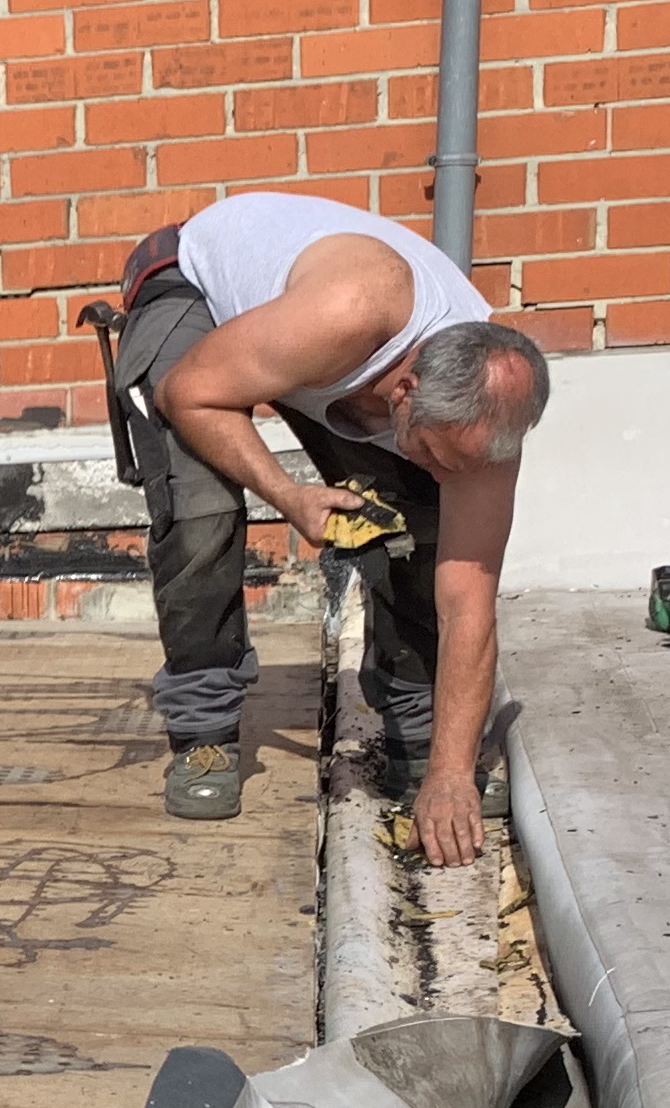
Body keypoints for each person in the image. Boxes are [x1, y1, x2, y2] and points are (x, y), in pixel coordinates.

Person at [103, 191, 554, 868]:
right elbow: (187, 393)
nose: (448, 472)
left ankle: (418, 738)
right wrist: (288, 495)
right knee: (202, 509)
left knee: (422, 521)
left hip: (301, 347)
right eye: (436, 453)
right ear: (403, 392)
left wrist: (452, 773)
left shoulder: (487, 424)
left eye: (461, 464)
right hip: (192, 287)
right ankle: (204, 732)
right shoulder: (348, 312)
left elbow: (469, 603)